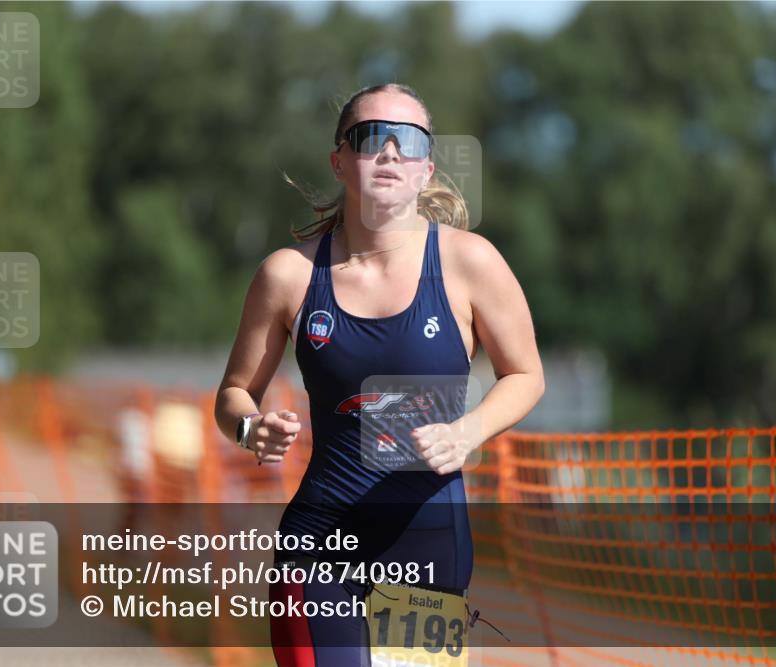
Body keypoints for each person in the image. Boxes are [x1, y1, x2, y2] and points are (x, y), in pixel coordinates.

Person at [215, 82, 544, 666]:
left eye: (409, 142)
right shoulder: (288, 276)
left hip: (429, 550)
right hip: (320, 544)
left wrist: (466, 432)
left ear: (426, 169)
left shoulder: (470, 263)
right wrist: (249, 429)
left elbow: (525, 375)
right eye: (372, 137)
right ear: (340, 160)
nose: (391, 152)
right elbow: (235, 394)